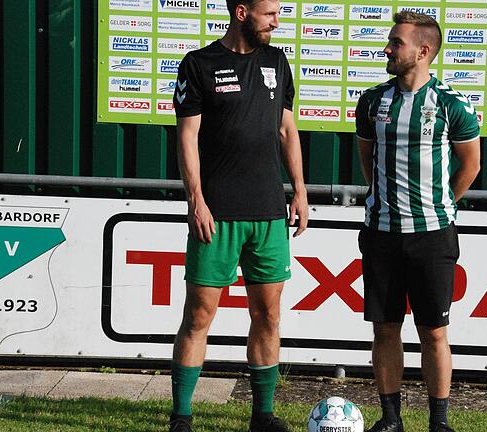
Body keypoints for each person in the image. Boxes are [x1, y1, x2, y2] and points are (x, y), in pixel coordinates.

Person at [171, 0, 308, 430]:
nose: (277, 22)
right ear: (242, 12)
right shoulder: (199, 63)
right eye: (270, 14)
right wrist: (196, 199)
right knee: (198, 316)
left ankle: (262, 415)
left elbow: (287, 129)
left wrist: (300, 191)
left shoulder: (277, 61)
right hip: (218, 213)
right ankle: (182, 416)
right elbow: (187, 136)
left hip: (268, 212)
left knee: (267, 315)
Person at [354, 11, 481, 432]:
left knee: (434, 332)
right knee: (385, 330)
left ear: (423, 51)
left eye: (396, 43)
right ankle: (391, 420)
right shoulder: (373, 100)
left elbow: (470, 166)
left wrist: (437, 205)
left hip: (432, 237)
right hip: (381, 235)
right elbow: (367, 159)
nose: (387, 49)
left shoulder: (451, 104)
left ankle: (438, 423)